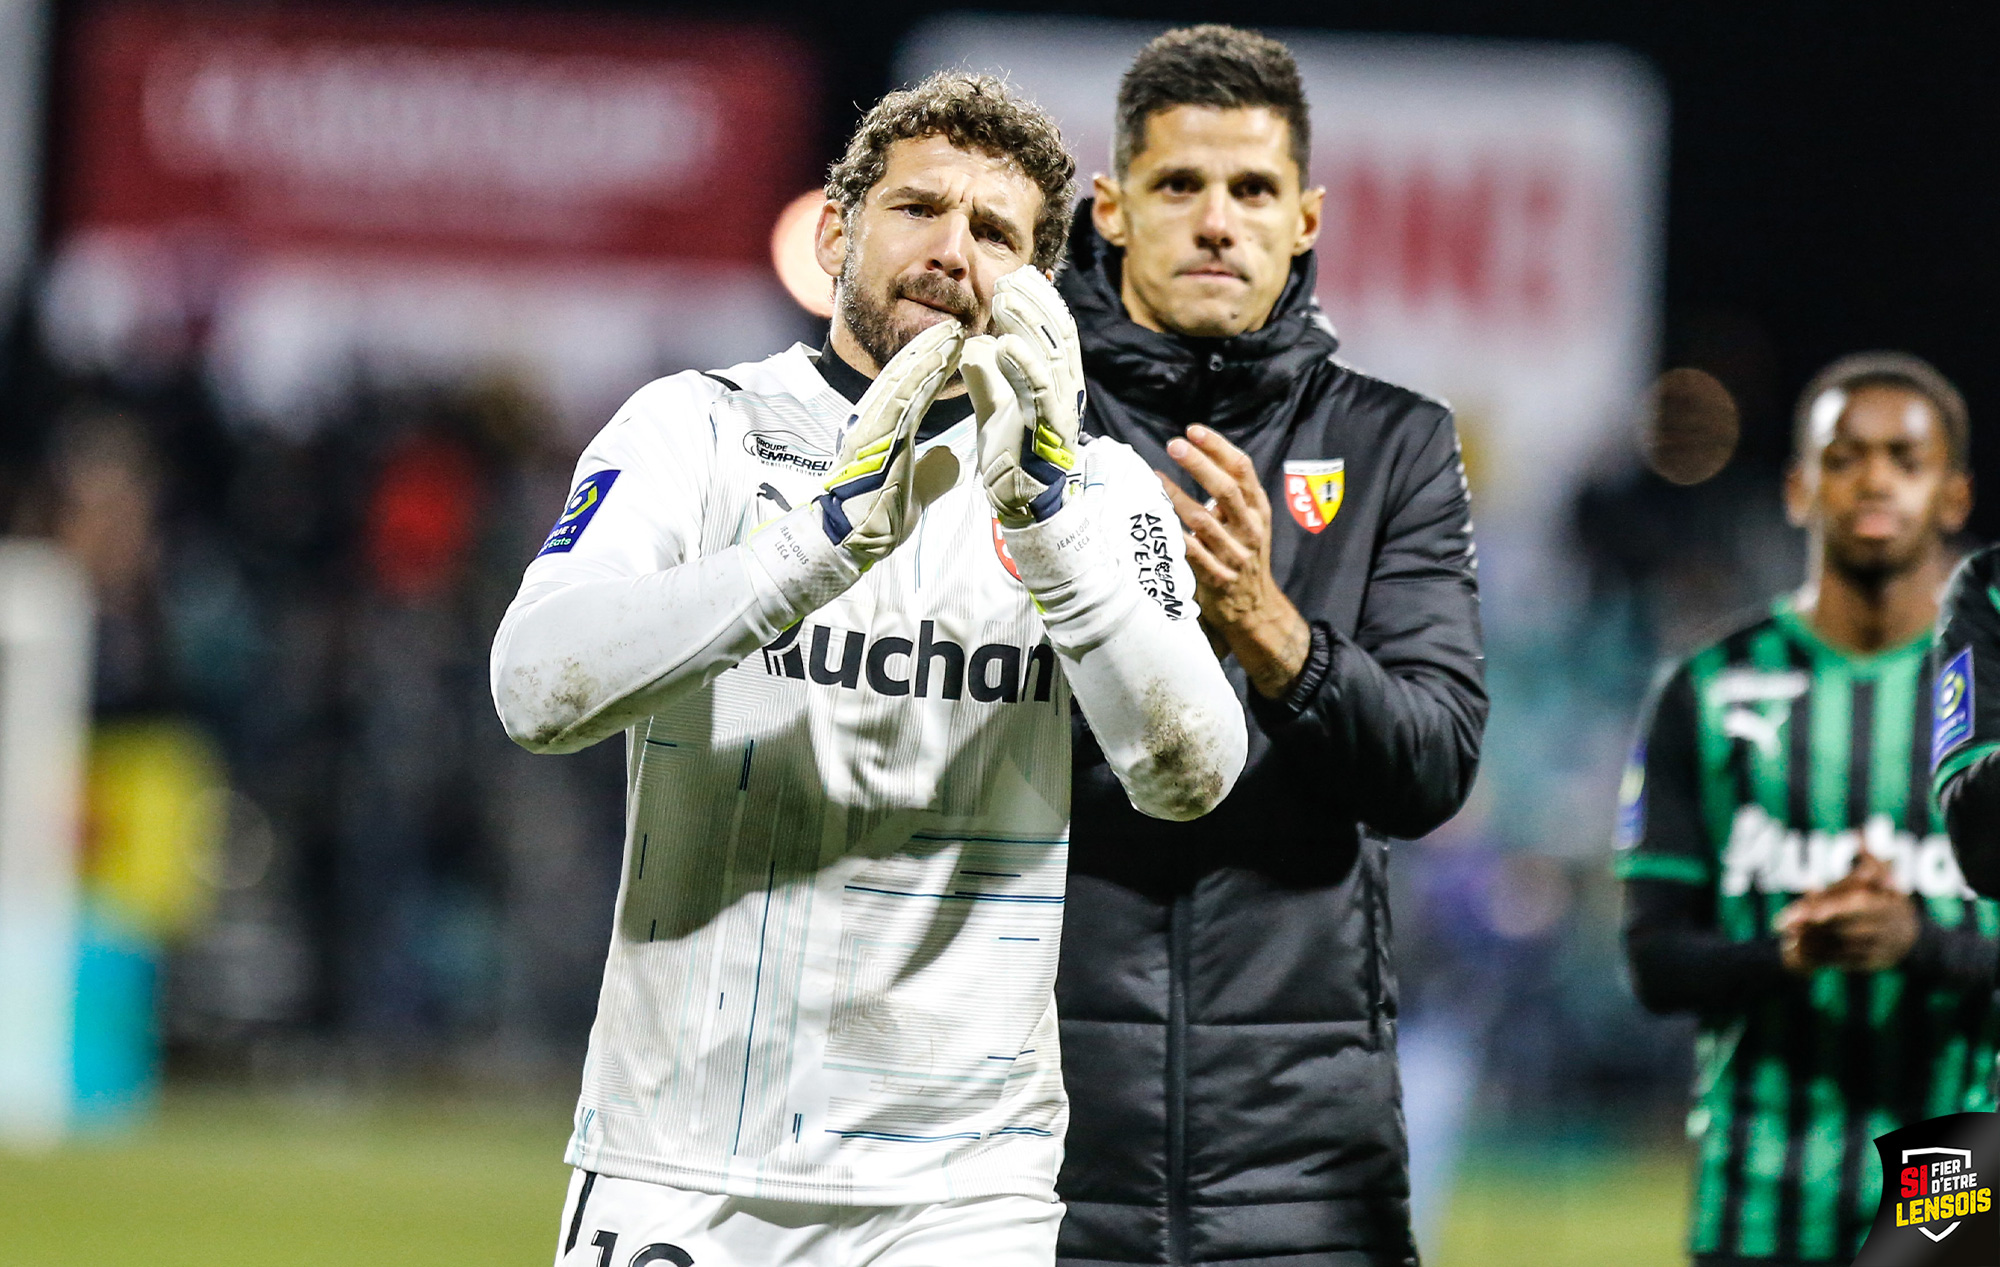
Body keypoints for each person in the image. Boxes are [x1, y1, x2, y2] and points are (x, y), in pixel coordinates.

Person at [489, 73, 1247, 1267]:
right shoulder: (698, 430)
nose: (952, 251)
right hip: (683, 1160)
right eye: (917, 209)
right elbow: (534, 685)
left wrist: (1045, 529)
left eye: (995, 233)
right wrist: (819, 542)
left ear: (1039, 285)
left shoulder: (1099, 490)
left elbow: (1192, 771)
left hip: (961, 1193)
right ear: (839, 231)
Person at [1051, 27, 1487, 1267]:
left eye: (1249, 190)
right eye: (1177, 185)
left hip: (1306, 1172)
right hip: (1033, 1152)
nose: (1213, 221)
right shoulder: (1021, 432)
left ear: (1303, 218)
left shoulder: (1395, 445)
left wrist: (1268, 629)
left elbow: (1430, 765)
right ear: (1112, 208)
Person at [1617, 351, 2000, 1267]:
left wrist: (1921, 944)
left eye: (1906, 460)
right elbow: (1653, 958)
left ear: (1954, 496)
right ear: (1797, 487)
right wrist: (1786, 952)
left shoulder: (1991, 707)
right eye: (1845, 456)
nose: (1874, 479)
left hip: (1953, 1181)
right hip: (1756, 1187)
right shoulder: (1702, 690)